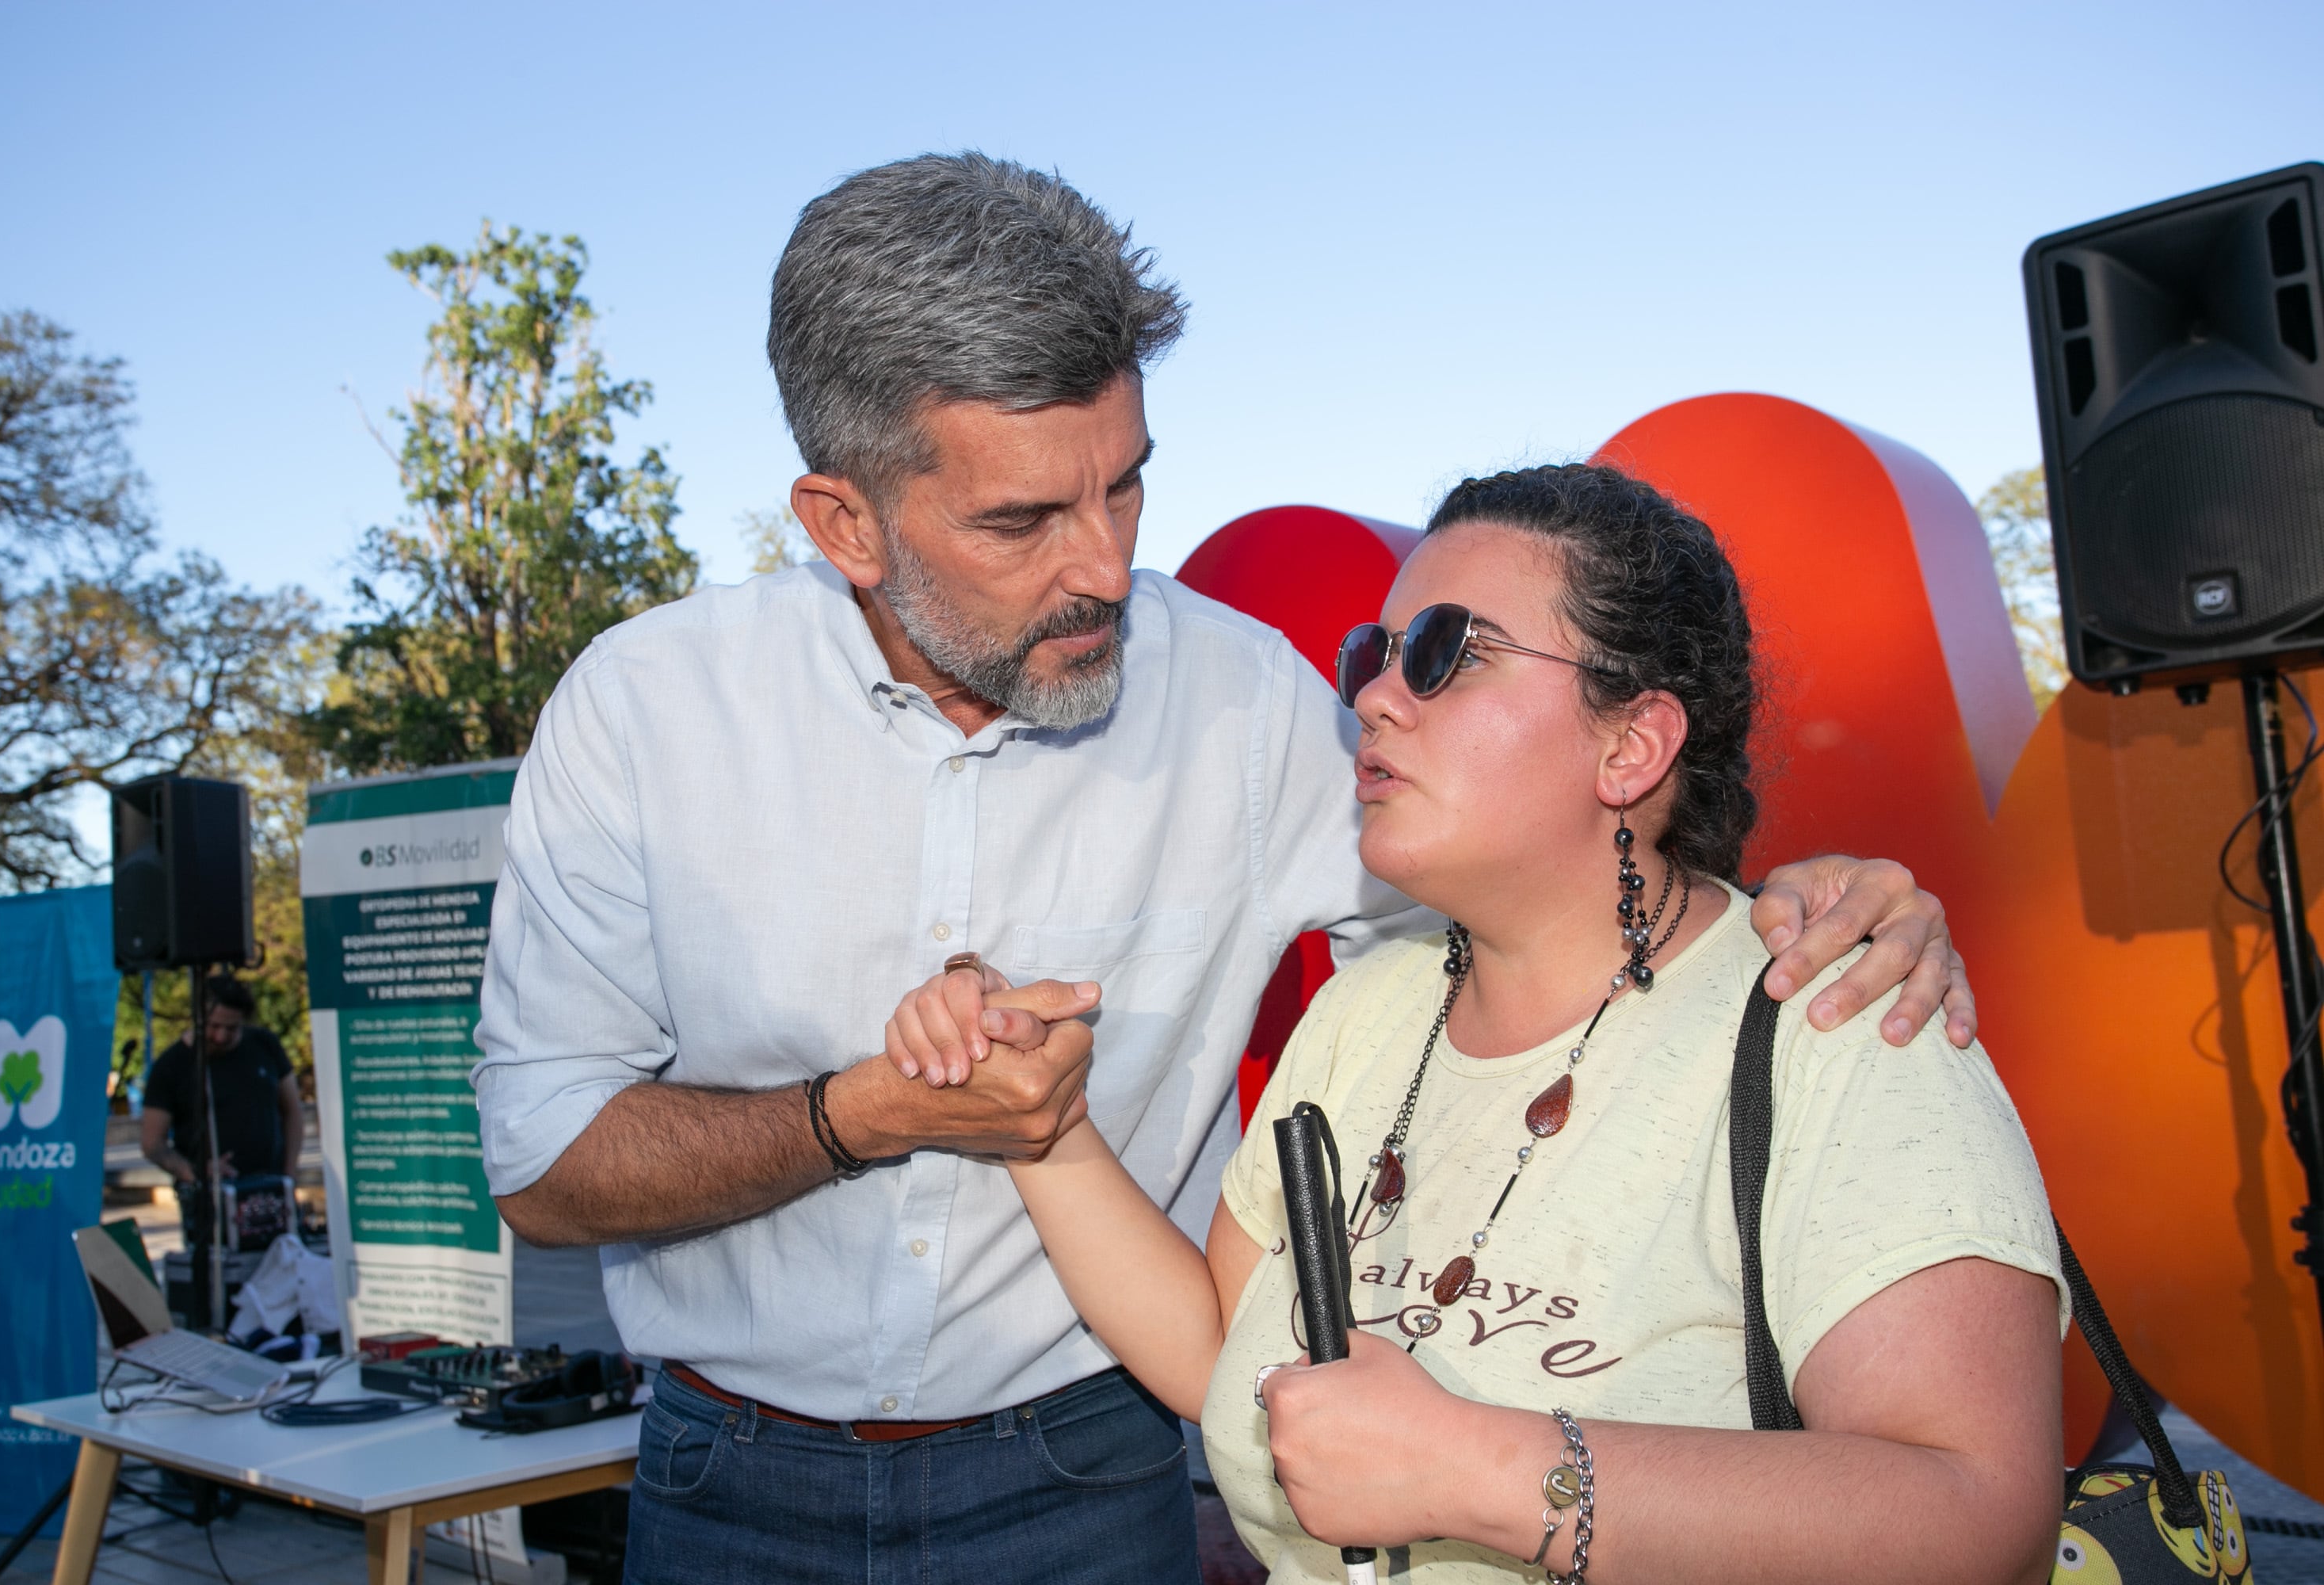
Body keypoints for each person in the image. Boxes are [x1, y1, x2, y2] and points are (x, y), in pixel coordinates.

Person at [470, 154, 1978, 1584]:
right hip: (725, 1481)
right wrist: (862, 1115)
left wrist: (1803, 887)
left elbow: (1552, 853)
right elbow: (541, 1165)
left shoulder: (1245, 700)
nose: (1110, 566)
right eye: (1023, 519)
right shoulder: (644, 712)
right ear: (844, 521)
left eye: (1125, 484)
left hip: (1084, 1470)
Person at [979, 464, 2064, 1585]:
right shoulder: (1368, 1007)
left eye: (1452, 650)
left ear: (1631, 748)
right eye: (1375, 655)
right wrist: (1043, 1129)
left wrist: (1483, 1474)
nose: (1377, 698)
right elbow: (1228, 1346)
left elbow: (1979, 1518)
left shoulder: (1832, 1014)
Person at [140, 975, 303, 1191]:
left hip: (269, 1183)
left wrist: (289, 1174)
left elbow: (293, 1111)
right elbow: (152, 1143)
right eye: (214, 1026)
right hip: (208, 1195)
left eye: (232, 1028)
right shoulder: (171, 1065)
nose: (220, 1037)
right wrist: (195, 1172)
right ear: (198, 1018)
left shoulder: (265, 1045)